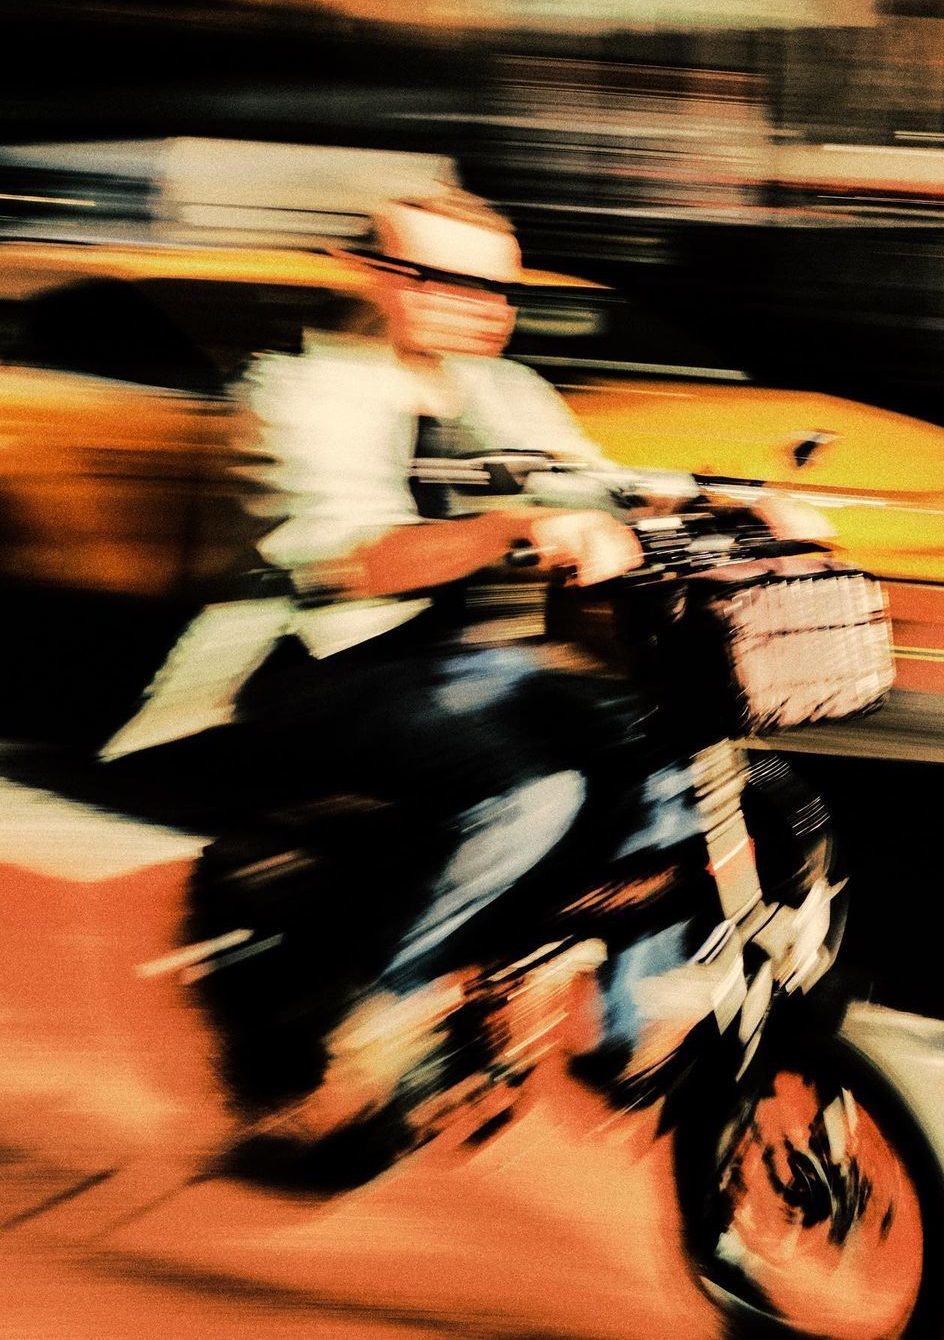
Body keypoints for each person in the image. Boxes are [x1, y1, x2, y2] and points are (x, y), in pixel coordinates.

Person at [109, 189, 710, 1157]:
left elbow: (594, 480)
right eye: (463, 284)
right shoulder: (301, 392)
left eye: (504, 289)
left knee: (666, 767)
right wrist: (512, 524)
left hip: (470, 671)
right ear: (387, 282)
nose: (493, 309)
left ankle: (623, 1035)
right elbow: (353, 560)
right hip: (312, 666)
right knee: (532, 792)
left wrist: (741, 503)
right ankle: (379, 1000)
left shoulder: (505, 391)